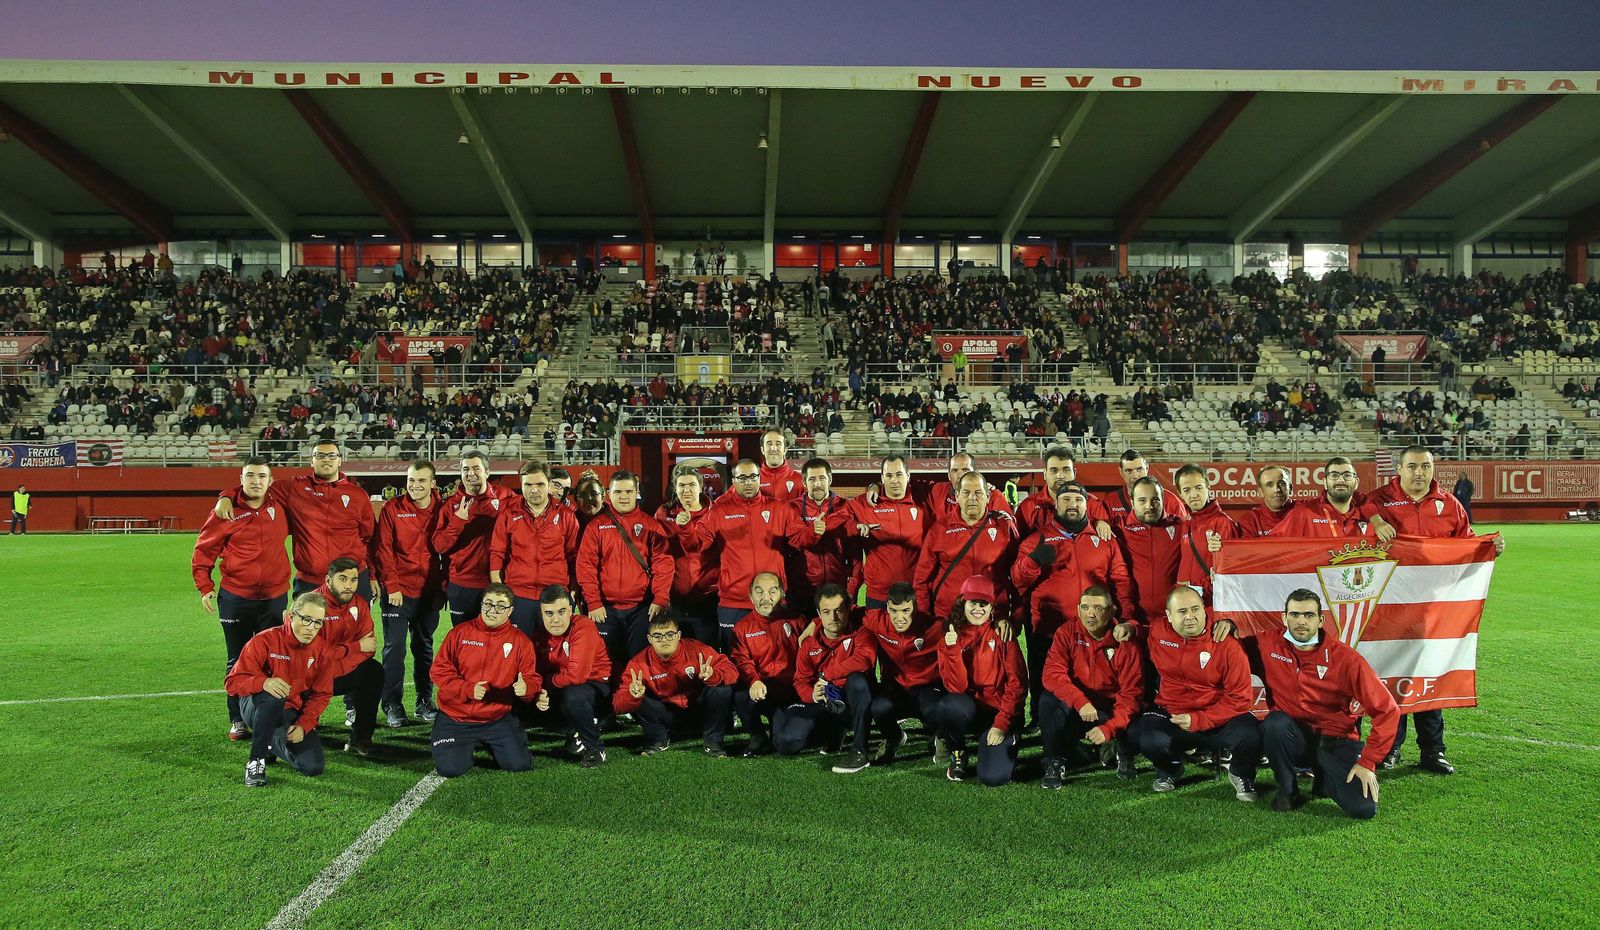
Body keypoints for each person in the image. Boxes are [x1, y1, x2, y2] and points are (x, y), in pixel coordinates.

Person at [1360, 445, 1505, 775]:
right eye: (1412, 466)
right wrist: (1376, 519)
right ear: (1399, 468)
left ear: (1433, 468)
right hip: (1391, 607)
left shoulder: (1450, 504)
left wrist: (1489, 547)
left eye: (1425, 466)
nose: (1419, 473)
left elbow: (1465, 544)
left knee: (1430, 674)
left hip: (1434, 608)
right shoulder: (1379, 499)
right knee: (1391, 677)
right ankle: (1389, 748)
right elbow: (1357, 509)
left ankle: (1432, 751)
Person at [1251, 589, 1398, 818]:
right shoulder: (1266, 644)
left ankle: (1325, 777)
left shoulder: (1346, 659)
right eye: (1295, 615)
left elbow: (1387, 710)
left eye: (1309, 615)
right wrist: (1227, 626)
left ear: (1320, 620)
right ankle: (1288, 791)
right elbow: (1225, 654)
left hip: (1335, 741)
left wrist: (1368, 762)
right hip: (1294, 738)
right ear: (1284, 617)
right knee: (1274, 724)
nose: (1301, 622)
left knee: (1363, 809)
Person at [1010, 482, 1135, 720]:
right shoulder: (1038, 539)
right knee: (1046, 683)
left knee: (1095, 680)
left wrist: (1126, 615)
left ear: (1087, 505)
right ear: (1056, 504)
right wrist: (1033, 561)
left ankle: (1096, 724)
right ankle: (1041, 720)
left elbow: (1121, 580)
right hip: (1049, 628)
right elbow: (1017, 580)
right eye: (1066, 500)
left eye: (1078, 500)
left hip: (1094, 629)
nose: (1072, 505)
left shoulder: (1103, 538)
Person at [1128, 586, 1262, 800]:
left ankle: (1240, 773)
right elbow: (1141, 630)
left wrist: (1200, 719)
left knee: (1251, 735)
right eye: (1182, 612)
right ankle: (1170, 770)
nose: (1190, 617)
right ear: (1169, 616)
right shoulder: (1158, 631)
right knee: (1145, 736)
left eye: (1195, 609)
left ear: (1204, 610)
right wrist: (1130, 628)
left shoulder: (1226, 643)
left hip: (1218, 716)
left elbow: (1241, 698)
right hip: (1173, 713)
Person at [192, 457, 291, 740]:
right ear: (241, 479)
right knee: (237, 658)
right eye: (250, 476)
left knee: (274, 659)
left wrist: (224, 494)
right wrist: (204, 586)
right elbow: (203, 551)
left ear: (270, 481)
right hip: (236, 597)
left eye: (262, 476)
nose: (256, 481)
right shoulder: (226, 512)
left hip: (274, 597)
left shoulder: (280, 506)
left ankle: (269, 715)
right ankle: (236, 719)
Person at [214, 440, 376, 599]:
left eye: (332, 455)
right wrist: (226, 496)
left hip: (352, 578)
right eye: (320, 455)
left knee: (356, 625)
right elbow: (257, 486)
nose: (326, 459)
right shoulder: (295, 488)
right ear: (311, 461)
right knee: (308, 626)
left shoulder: (358, 495)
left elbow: (370, 539)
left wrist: (373, 576)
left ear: (340, 460)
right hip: (310, 581)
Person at [680, 458, 808, 648]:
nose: (748, 482)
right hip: (734, 601)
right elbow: (697, 545)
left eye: (753, 477)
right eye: (742, 478)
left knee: (775, 658)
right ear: (734, 481)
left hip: (771, 600)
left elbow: (801, 540)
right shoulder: (719, 511)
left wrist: (815, 531)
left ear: (759, 478)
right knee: (733, 663)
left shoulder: (780, 508)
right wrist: (685, 528)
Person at [428, 583, 541, 777]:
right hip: (456, 717)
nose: (492, 610)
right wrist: (467, 689)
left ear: (510, 611)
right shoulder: (459, 633)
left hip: (496, 719)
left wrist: (528, 688)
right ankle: (454, 738)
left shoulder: (521, 641)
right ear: (481, 605)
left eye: (500, 606)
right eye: (488, 604)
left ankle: (494, 743)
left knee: (519, 765)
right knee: (451, 769)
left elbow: (532, 678)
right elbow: (439, 671)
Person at [1038, 586, 1144, 789]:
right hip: (1080, 708)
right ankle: (1053, 761)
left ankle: (1123, 750)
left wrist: (1109, 728)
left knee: (1140, 720)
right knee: (1048, 701)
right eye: (1085, 608)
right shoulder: (1066, 632)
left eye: (1098, 608)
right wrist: (1081, 702)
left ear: (1112, 611)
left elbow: (1131, 696)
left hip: (1112, 711)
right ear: (1078, 610)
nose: (1090, 614)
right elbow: (1052, 674)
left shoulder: (1126, 642)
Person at [226, 592, 335, 787]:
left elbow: (322, 694)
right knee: (274, 693)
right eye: (306, 619)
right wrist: (262, 683)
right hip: (256, 706)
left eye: (318, 623)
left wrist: (304, 724)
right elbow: (233, 682)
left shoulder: (323, 650)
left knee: (313, 766)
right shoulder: (264, 640)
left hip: (289, 710)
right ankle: (256, 761)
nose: (311, 628)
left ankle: (269, 743)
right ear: (291, 616)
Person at [371, 459, 447, 727]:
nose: (415, 486)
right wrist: (392, 585)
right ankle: (392, 704)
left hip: (429, 594)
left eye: (421, 481)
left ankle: (424, 701)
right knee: (394, 649)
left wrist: (442, 588)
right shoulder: (393, 508)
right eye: (411, 480)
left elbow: (449, 552)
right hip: (398, 593)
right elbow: (383, 550)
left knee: (424, 648)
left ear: (433, 484)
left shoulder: (443, 509)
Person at [576, 470, 673, 673]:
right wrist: (593, 602)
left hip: (641, 609)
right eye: (618, 491)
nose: (623, 496)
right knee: (607, 665)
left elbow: (663, 564)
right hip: (605, 610)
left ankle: (637, 703)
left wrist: (660, 598)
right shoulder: (596, 526)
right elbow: (586, 566)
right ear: (608, 494)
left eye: (629, 491)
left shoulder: (651, 525)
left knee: (639, 664)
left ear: (637, 492)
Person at [935, 576, 1026, 786]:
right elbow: (955, 688)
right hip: (972, 710)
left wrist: (1002, 724)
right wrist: (952, 650)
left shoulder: (1003, 633)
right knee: (948, 705)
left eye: (984, 603)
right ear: (962, 603)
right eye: (973, 602)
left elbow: (1018, 684)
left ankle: (1012, 737)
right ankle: (958, 751)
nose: (978, 608)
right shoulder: (951, 635)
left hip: (1001, 713)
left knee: (993, 777)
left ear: (992, 606)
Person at [779, 584, 877, 772]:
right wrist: (814, 694)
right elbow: (801, 682)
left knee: (858, 680)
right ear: (818, 613)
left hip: (853, 704)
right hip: (824, 703)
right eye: (826, 612)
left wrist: (827, 675)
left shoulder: (862, 633)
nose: (833, 617)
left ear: (848, 609)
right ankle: (833, 731)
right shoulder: (809, 644)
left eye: (838, 611)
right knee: (787, 742)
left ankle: (859, 751)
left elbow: (864, 660)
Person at [612, 613, 738, 756]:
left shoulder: (697, 649)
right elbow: (618, 705)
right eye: (657, 636)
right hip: (668, 716)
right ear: (649, 639)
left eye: (670, 634)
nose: (664, 640)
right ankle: (657, 738)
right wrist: (631, 696)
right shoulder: (637, 663)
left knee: (721, 690)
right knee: (636, 696)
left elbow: (732, 672)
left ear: (679, 635)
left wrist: (713, 676)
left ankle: (713, 740)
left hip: (700, 711)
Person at [913, 470, 1020, 621]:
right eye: (966, 493)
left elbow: (1017, 576)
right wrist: (924, 617)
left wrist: (1016, 615)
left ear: (988, 496)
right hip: (948, 617)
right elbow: (921, 580)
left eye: (978, 493)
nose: (972, 498)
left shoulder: (1004, 526)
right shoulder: (939, 529)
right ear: (957, 496)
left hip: (992, 618)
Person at [489, 461, 580, 638]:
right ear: (521, 485)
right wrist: (499, 590)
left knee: (553, 654)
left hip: (555, 596)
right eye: (528, 485)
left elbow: (574, 557)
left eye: (540, 484)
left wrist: (573, 592)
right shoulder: (508, 514)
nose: (534, 489)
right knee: (519, 652)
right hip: (518, 595)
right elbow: (497, 552)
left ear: (549, 484)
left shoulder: (566, 516)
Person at [860, 581, 945, 764]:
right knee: (879, 707)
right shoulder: (877, 622)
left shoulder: (934, 627)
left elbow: (964, 627)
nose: (900, 618)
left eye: (905, 611)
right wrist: (815, 624)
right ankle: (894, 737)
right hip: (895, 688)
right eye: (894, 611)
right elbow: (846, 615)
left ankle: (938, 735)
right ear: (887, 608)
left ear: (915, 608)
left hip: (927, 688)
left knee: (936, 708)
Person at [432, 450, 519, 627]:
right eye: (465, 469)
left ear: (487, 472)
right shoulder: (450, 506)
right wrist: (457, 521)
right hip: (461, 583)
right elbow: (439, 546)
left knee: (496, 637)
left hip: (497, 581)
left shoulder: (506, 497)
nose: (470, 474)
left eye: (476, 468)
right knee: (464, 639)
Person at [528, 585, 612, 767]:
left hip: (597, 690)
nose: (556, 620)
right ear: (541, 613)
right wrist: (539, 692)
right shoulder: (539, 636)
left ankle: (595, 747)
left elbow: (576, 676)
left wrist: (546, 684)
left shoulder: (583, 627)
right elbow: (535, 673)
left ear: (570, 610)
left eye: (561, 612)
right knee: (525, 697)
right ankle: (573, 730)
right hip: (562, 687)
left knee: (572, 696)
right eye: (549, 614)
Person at [829, 455, 928, 609]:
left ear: (908, 476)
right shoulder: (865, 504)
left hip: (914, 594)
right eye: (889, 475)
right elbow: (833, 522)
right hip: (879, 596)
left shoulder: (923, 499)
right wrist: (855, 527)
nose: (894, 480)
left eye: (899, 474)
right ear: (882, 478)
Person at [314, 558, 385, 756]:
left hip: (338, 671)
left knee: (374, 671)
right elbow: (312, 655)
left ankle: (360, 738)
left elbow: (368, 648)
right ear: (328, 581)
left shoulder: (359, 604)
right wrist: (353, 647)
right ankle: (305, 728)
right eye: (342, 579)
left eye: (353, 580)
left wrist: (339, 662)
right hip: (313, 676)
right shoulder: (312, 605)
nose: (349, 585)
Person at [729, 572, 801, 757]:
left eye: (772, 591)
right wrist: (753, 680)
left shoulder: (797, 621)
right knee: (739, 693)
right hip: (763, 692)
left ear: (782, 594)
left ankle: (782, 729)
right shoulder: (742, 628)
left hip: (793, 693)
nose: (766, 598)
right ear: (750, 596)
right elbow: (742, 660)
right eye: (759, 592)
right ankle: (758, 736)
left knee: (786, 743)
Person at [655, 465, 719, 646]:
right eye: (682, 485)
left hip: (707, 598)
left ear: (701, 487)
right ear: (675, 488)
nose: (687, 490)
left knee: (707, 653)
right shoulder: (663, 513)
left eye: (691, 485)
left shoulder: (714, 514)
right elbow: (657, 554)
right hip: (674, 599)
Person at [1116, 476, 1187, 624]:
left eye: (1155, 500)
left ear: (1163, 500)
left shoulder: (1180, 526)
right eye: (1142, 500)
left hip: (1172, 620)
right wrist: (1098, 523)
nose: (1150, 506)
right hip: (1133, 620)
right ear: (1132, 502)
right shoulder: (1119, 528)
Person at [1172, 464, 1241, 600]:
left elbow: (1226, 571)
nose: (1194, 495)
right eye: (1187, 490)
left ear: (1208, 487)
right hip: (1188, 600)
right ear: (1180, 494)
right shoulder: (1186, 523)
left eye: (1198, 488)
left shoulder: (1223, 522)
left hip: (1209, 601)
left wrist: (1200, 592)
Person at [789, 457, 850, 608]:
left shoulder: (845, 507)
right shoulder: (792, 509)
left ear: (830, 480)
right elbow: (793, 542)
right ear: (804, 483)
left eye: (822, 478)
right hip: (803, 591)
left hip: (837, 589)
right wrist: (813, 531)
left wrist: (853, 588)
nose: (817, 484)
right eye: (812, 479)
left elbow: (855, 554)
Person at [1267, 456, 1369, 538]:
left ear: (1356, 483)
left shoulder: (1369, 516)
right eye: (1334, 475)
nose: (1341, 480)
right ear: (1325, 482)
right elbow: (1271, 546)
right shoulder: (1303, 514)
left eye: (1347, 475)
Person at [1102, 451, 1188, 525]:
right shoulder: (1110, 502)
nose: (1135, 476)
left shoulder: (1171, 500)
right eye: (1129, 471)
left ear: (1147, 468)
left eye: (1139, 469)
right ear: (1121, 472)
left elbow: (1184, 532)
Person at [1237, 465, 1293, 537]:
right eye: (1269, 485)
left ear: (1290, 488)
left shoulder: (1305, 512)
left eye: (1281, 483)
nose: (1277, 489)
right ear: (1261, 492)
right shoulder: (1250, 520)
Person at [758, 430, 804, 502]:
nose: (773, 448)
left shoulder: (800, 480)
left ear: (785, 450)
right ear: (762, 450)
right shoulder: (752, 480)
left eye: (778, 444)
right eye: (769, 444)